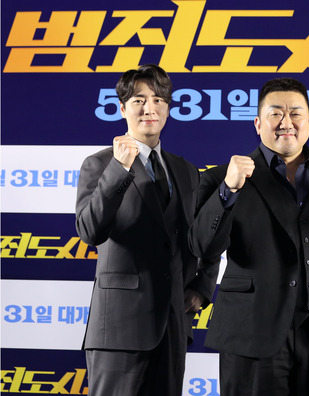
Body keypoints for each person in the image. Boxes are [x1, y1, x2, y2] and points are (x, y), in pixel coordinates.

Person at [188, 77, 309, 396]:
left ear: (308, 120)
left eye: (296, 113)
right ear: (258, 123)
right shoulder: (221, 178)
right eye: (275, 113)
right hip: (251, 334)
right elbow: (202, 246)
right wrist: (229, 191)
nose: (286, 122)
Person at [75, 64, 218, 396]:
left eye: (158, 99)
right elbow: (88, 230)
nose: (149, 108)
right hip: (118, 328)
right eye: (139, 100)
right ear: (122, 108)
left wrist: (202, 286)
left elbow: (205, 234)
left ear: (168, 108)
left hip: (172, 326)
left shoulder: (185, 170)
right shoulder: (99, 165)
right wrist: (119, 168)